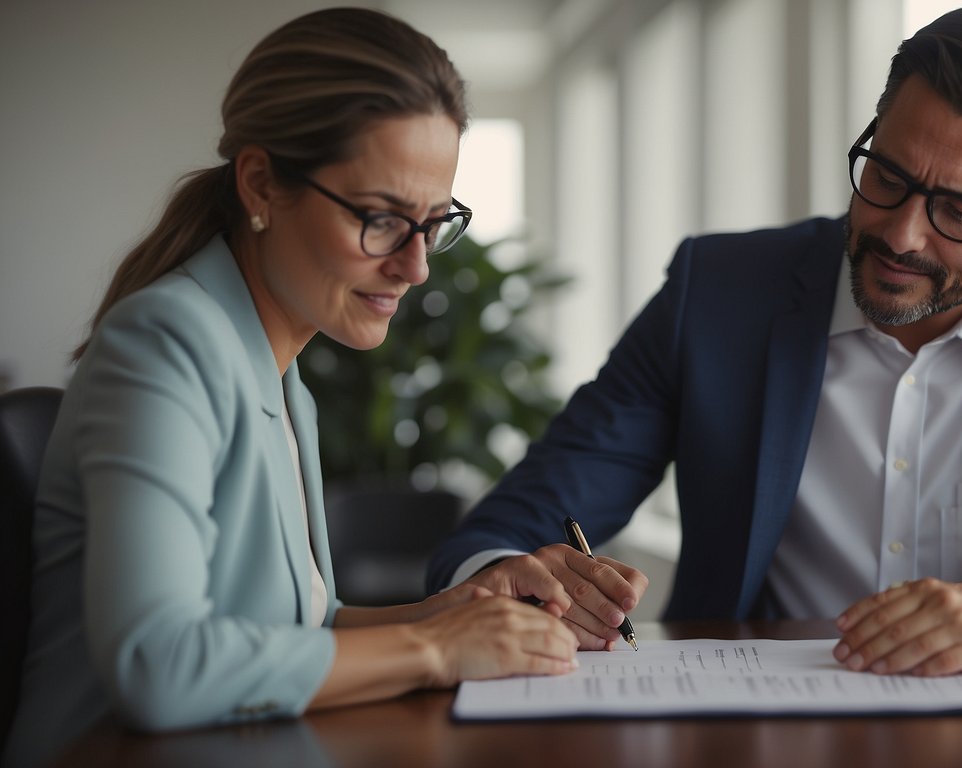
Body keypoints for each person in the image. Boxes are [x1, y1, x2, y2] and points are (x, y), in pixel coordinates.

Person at [427, 5, 962, 675]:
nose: (902, 234)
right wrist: (521, 577)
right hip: (744, 732)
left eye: (958, 210)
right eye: (886, 175)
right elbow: (507, 527)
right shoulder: (719, 296)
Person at [4, 9, 586, 768]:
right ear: (260, 184)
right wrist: (434, 646)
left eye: (434, 224)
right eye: (381, 219)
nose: (416, 268)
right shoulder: (164, 343)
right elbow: (160, 663)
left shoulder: (279, 373)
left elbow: (299, 629)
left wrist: (455, 612)